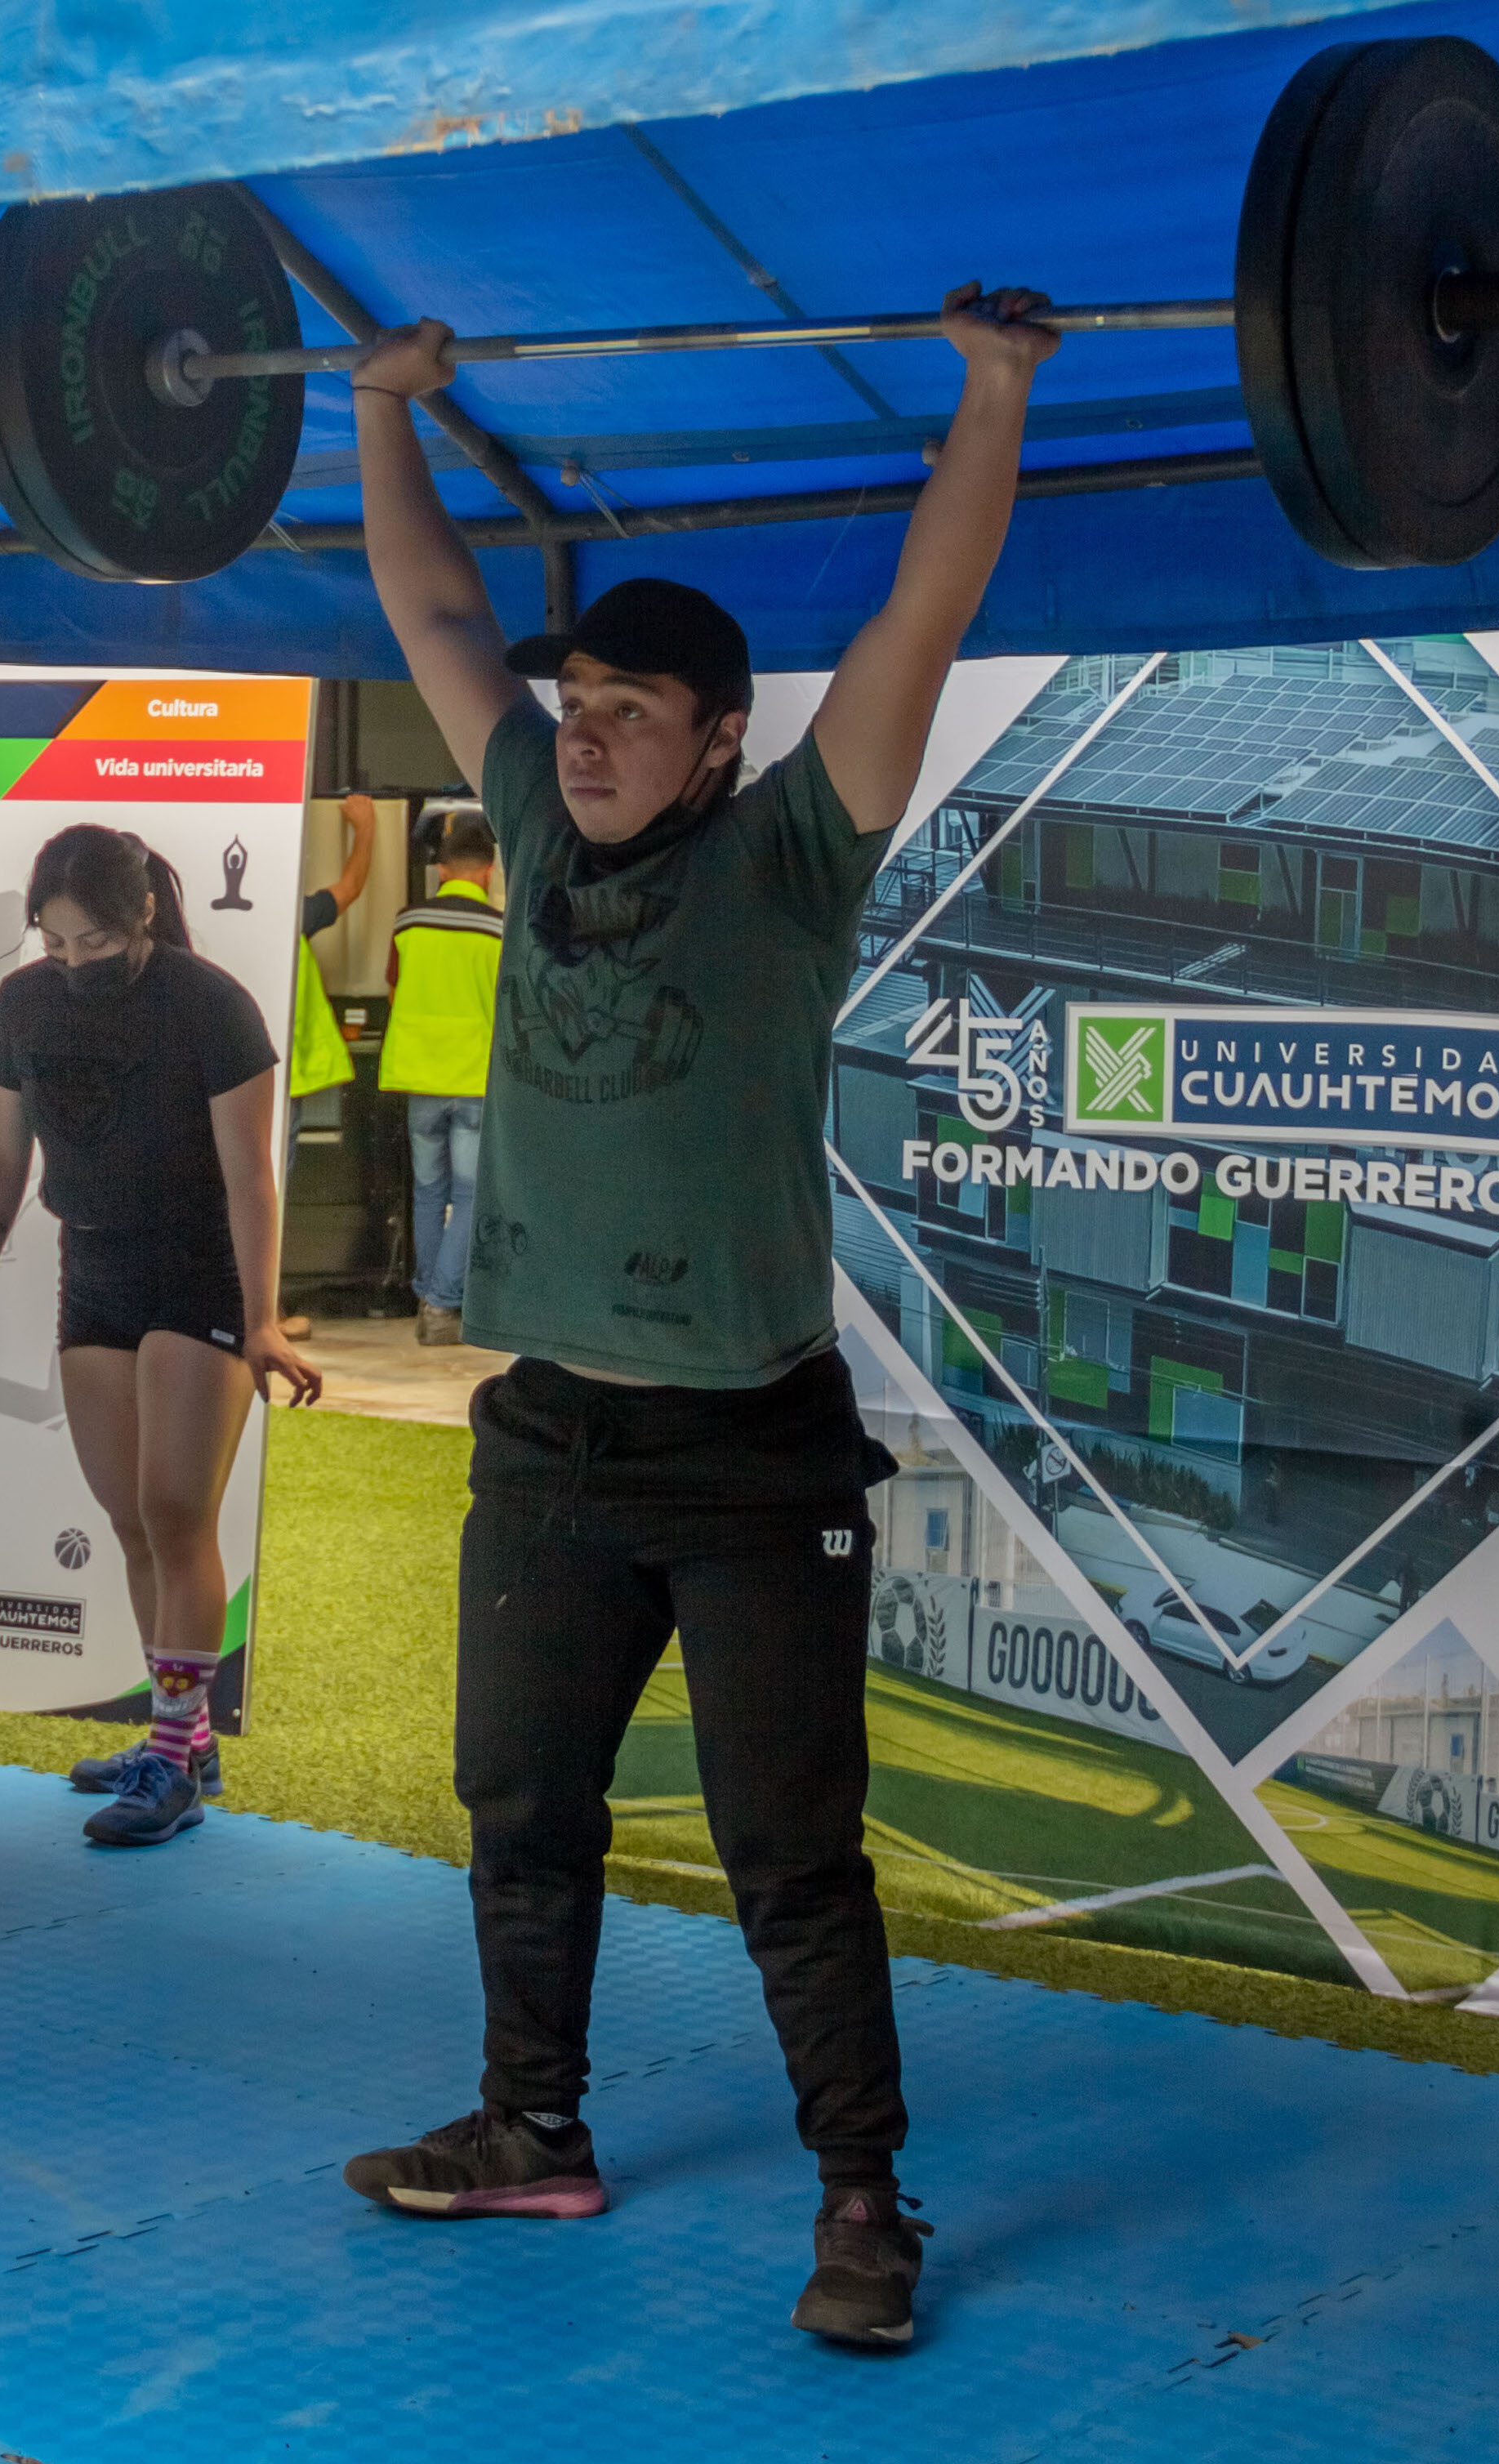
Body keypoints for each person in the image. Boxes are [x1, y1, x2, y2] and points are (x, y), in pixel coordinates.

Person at [332, 281, 1058, 2350]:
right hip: (553, 1432)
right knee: (518, 1808)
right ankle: (530, 2122)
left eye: (635, 709)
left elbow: (918, 619)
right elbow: (433, 606)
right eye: (583, 702)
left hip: (751, 1452)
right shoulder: (541, 819)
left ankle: (861, 2198)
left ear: (722, 736)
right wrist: (388, 408)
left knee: (788, 1852)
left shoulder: (795, 857)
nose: (588, 728)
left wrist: (989, 393)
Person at [0, 824, 323, 1847]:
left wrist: (260, 1318)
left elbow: (251, 1177)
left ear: (142, 913)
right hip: (93, 1269)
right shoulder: (20, 1004)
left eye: (93, 945)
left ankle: (170, 1759)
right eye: (55, 945)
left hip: (197, 1265)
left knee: (175, 1508)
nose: (71, 966)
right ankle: (180, 1736)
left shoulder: (210, 1004)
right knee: (129, 1518)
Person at [381, 805, 502, 1346]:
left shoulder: (409, 922)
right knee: (471, 1195)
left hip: (419, 1077)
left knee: (429, 1193)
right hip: (475, 1078)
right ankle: (442, 1305)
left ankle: (429, 1294)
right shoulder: (500, 931)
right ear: (489, 872)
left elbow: (393, 987)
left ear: (443, 870)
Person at [279, 792, 379, 1339]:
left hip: (237, 1082)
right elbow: (352, 887)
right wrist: (366, 829)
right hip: (282, 1079)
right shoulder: (290, 915)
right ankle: (265, 1313)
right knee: (264, 1199)